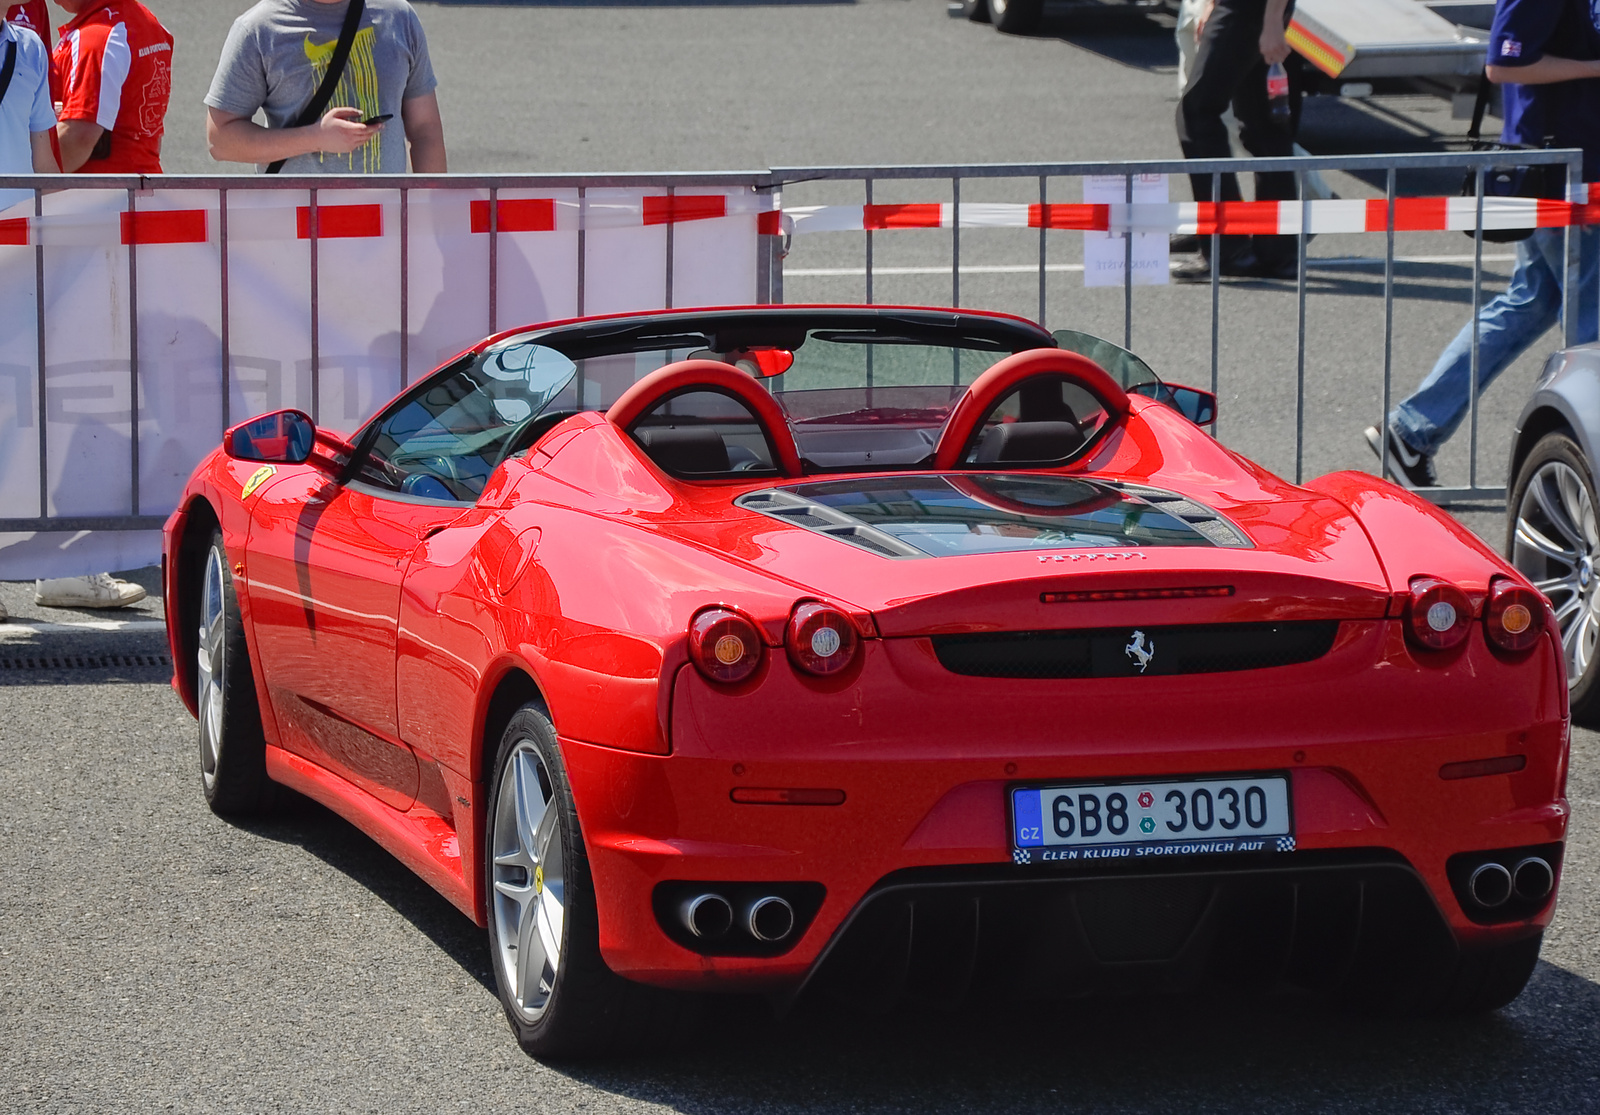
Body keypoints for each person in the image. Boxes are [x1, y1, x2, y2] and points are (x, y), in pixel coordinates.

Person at [1366, 0, 1600, 488]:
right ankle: (1581, 461)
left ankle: (1411, 430)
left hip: (1567, 171)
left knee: (1533, 301)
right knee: (1588, 325)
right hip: (1560, 175)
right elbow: (1505, 63)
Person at [30, 0, 168, 610]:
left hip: (94, 222)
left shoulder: (98, 33)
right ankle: (69, 553)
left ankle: (67, 557)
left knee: (75, 385)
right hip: (121, 219)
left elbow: (78, 139)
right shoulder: (136, 23)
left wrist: (27, 182)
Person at [204, 0, 446, 175]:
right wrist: (315, 138)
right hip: (294, 231)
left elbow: (425, 131)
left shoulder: (398, 16)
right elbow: (221, 140)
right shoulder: (259, 28)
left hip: (385, 228)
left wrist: (433, 219)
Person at [1173, 0, 1300, 281]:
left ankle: (1227, 246)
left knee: (1197, 113)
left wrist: (1272, 20)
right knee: (1262, 126)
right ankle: (1278, 251)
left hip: (1250, 10)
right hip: (1250, 10)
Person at [47, 0, 173, 173]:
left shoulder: (96, 38)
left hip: (97, 192)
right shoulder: (149, 24)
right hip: (142, 183)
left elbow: (79, 135)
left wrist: (25, 182)